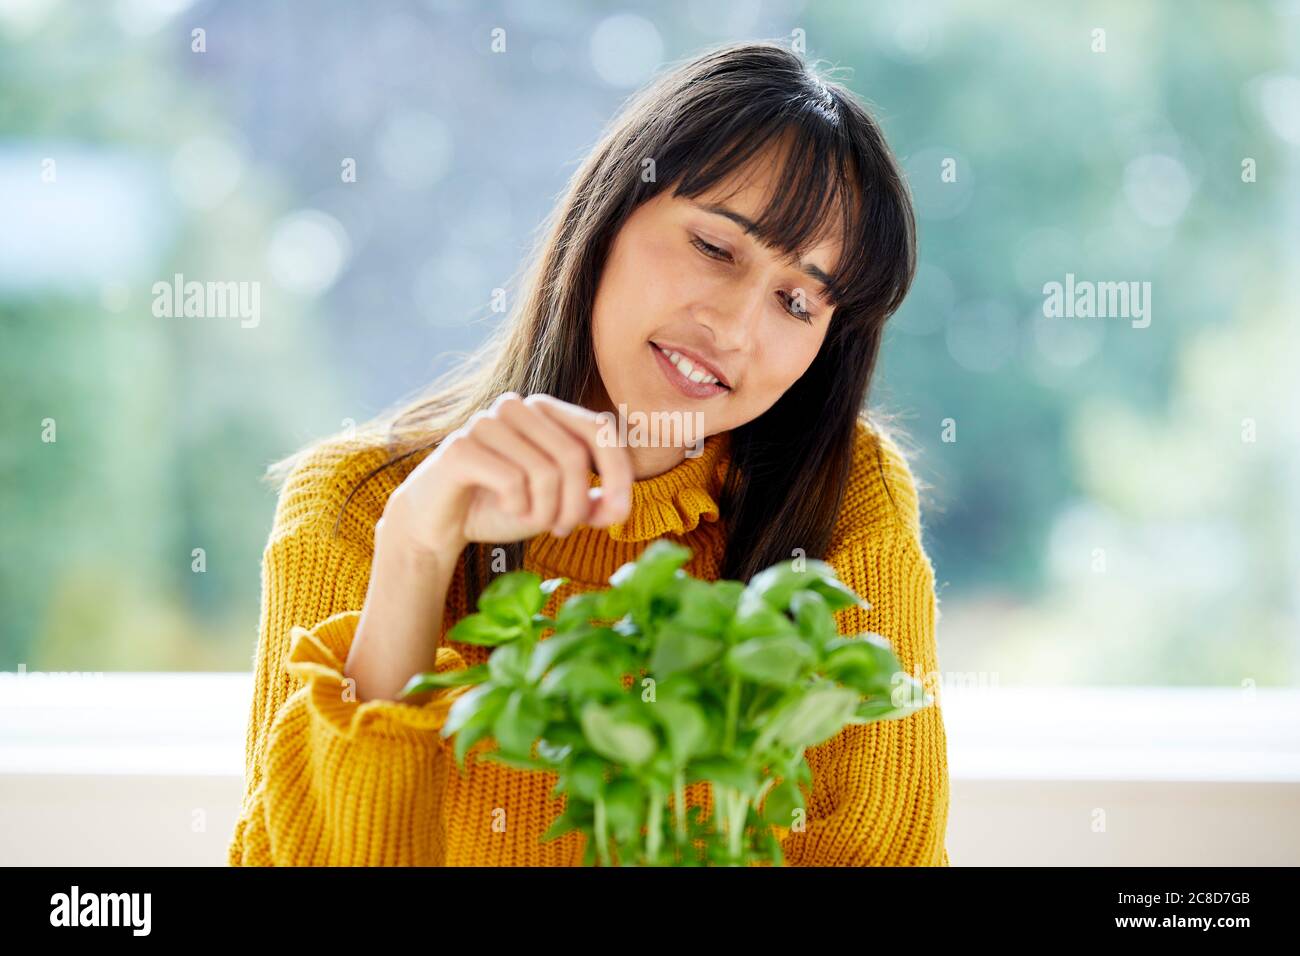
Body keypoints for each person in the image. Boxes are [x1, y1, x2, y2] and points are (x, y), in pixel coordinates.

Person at [228, 39, 950, 866]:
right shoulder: (354, 504)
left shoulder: (845, 495)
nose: (736, 329)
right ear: (606, 219)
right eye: (715, 248)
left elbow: (884, 852)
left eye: (797, 302)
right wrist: (415, 556)